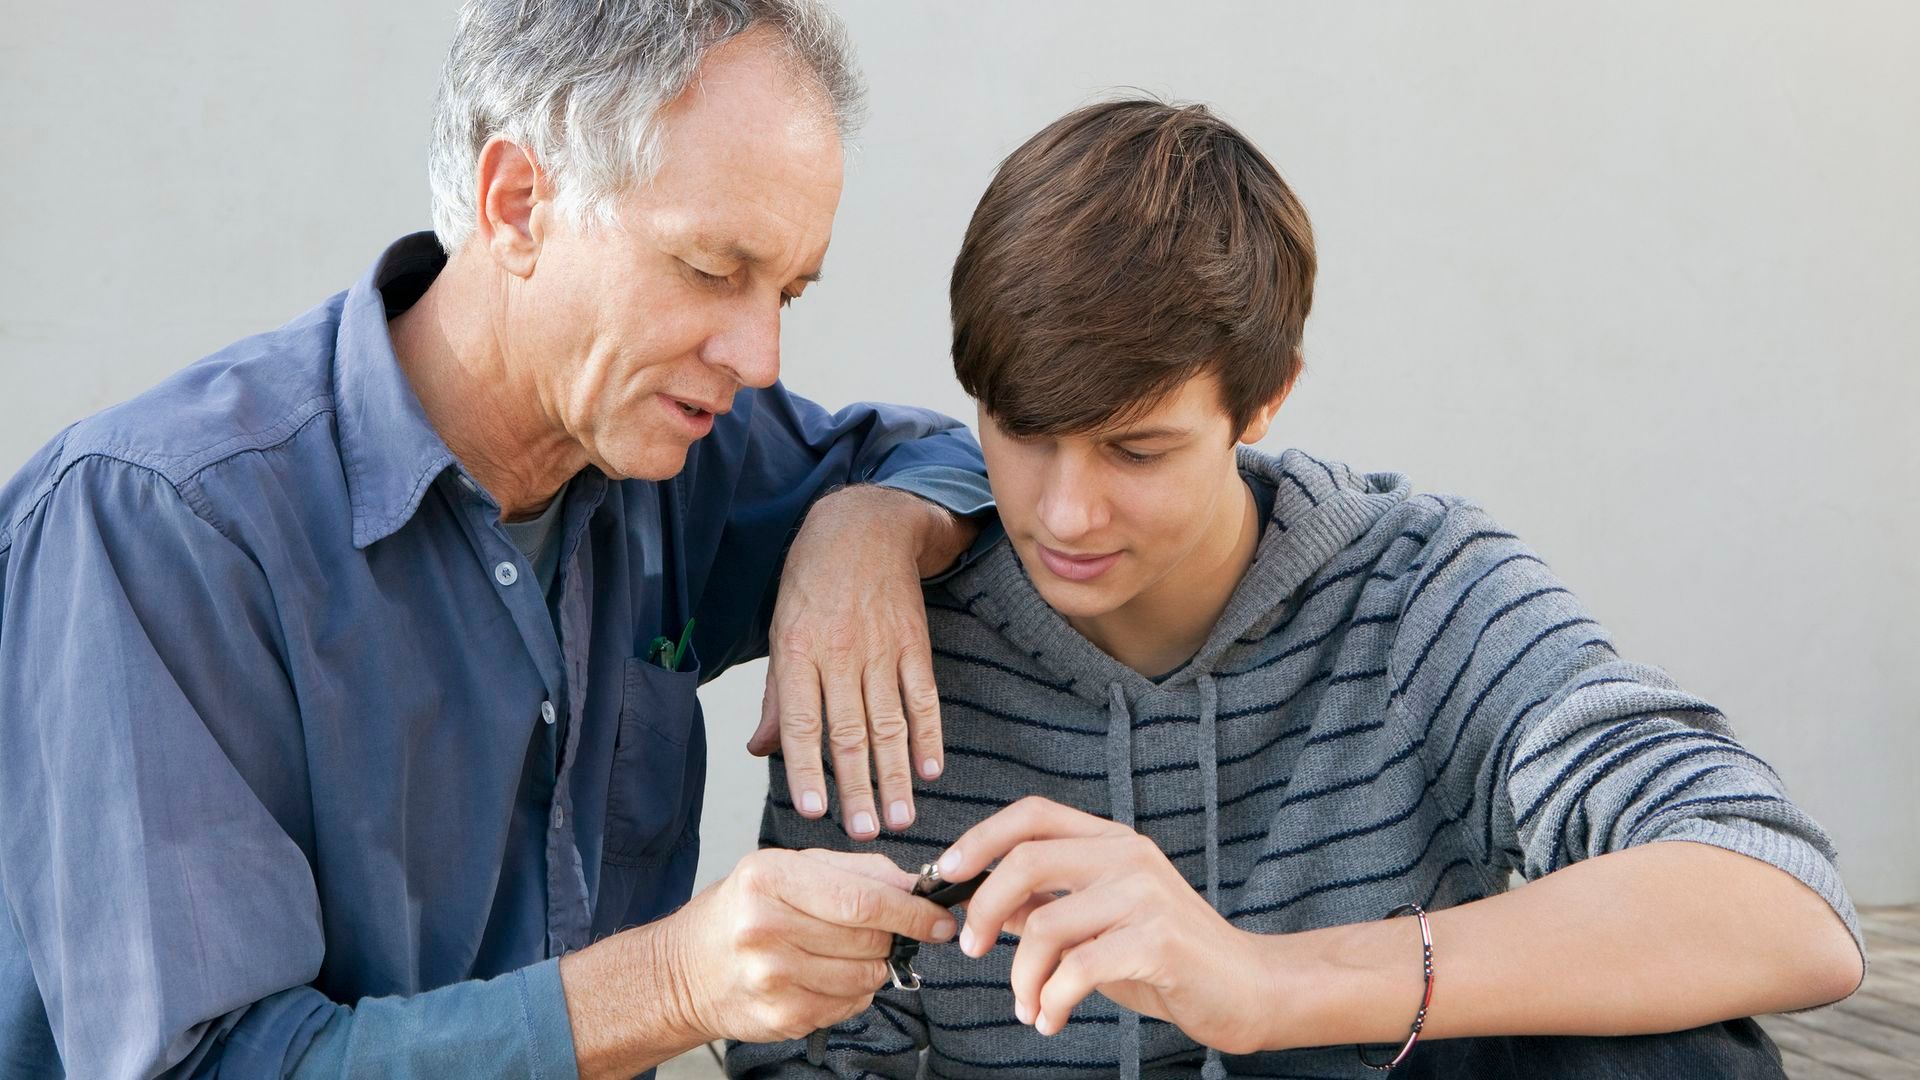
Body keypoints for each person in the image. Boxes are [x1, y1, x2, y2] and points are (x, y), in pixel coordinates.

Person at [731, 99, 1865, 1078]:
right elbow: (804, 1057)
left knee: (1666, 1049)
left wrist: (1264, 983)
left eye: (1136, 450)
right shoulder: (881, 650)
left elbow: (1786, 906)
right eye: (1024, 434)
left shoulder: (1418, 591)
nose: (1065, 512)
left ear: (1264, 401)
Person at [0, 3, 988, 1077]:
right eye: (712, 269)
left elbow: (942, 463)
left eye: (787, 290)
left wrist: (865, 529)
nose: (760, 354)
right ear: (516, 202)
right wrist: (672, 983)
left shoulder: (675, 444)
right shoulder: (158, 525)